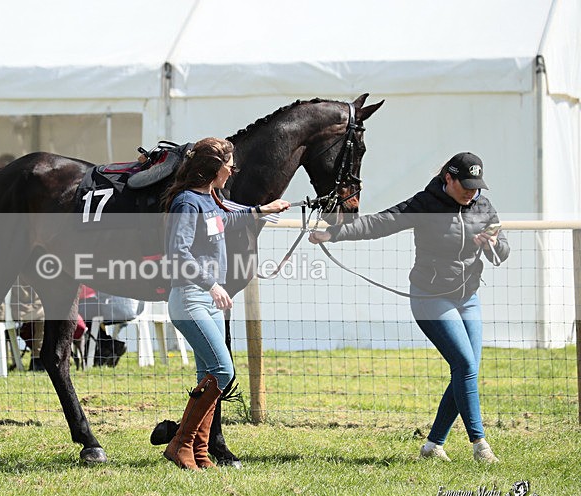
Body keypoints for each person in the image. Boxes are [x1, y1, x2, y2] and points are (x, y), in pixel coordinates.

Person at [308, 152, 509, 463]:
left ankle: (432, 446)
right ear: (449, 179)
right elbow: (380, 223)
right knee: (466, 367)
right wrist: (335, 233)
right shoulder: (424, 203)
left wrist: (493, 246)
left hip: (468, 297)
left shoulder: (483, 206)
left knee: (465, 370)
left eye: (476, 185)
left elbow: (502, 250)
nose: (472, 192)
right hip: (431, 298)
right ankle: (480, 445)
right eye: (465, 185)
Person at [162, 137, 290, 469]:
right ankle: (179, 444)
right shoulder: (186, 203)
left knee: (209, 373)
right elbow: (178, 252)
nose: (233, 169)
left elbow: (225, 221)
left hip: (210, 300)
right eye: (229, 163)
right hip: (192, 299)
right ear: (214, 168)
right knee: (223, 369)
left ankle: (200, 453)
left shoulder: (209, 200)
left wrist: (262, 210)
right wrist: (212, 285)